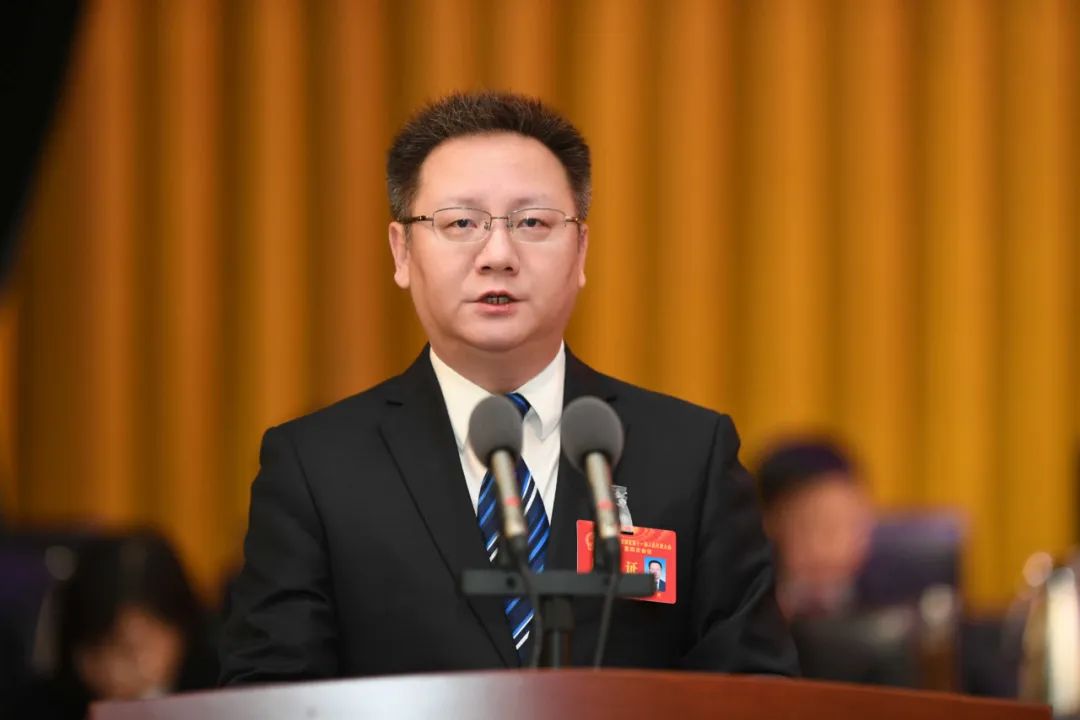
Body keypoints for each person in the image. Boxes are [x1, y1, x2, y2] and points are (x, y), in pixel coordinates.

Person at [219, 91, 797, 683]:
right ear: (401, 251)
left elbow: (756, 691)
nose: (498, 255)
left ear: (581, 250)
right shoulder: (317, 466)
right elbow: (271, 695)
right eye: (461, 223)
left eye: (532, 223)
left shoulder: (689, 455)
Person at [4, 531, 218, 719]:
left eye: (131, 650)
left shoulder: (219, 696)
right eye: (94, 650)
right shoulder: (38, 708)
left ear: (181, 631)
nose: (114, 673)